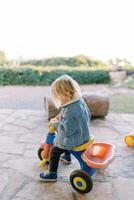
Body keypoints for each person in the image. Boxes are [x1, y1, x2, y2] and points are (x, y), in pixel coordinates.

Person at [40, 75, 91, 181]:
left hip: (75, 140)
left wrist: (55, 124)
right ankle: (67, 157)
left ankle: (52, 174)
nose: (58, 99)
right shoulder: (78, 102)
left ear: (66, 94)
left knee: (55, 150)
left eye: (58, 96)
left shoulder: (69, 111)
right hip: (83, 135)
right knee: (64, 141)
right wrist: (60, 116)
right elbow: (77, 117)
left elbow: (66, 131)